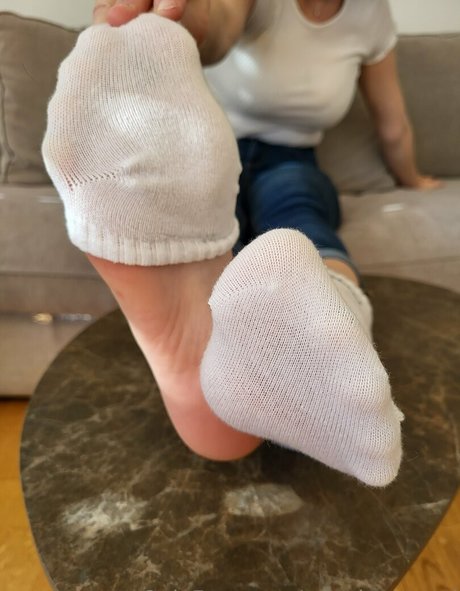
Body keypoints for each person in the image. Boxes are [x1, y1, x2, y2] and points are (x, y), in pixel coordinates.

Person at [42, 0, 437, 486]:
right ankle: (248, 326)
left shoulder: (371, 17)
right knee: (268, 230)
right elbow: (218, 25)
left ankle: (282, 327)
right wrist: (177, 16)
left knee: (293, 222)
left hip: (286, 159)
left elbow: (392, 123)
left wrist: (413, 179)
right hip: (208, 158)